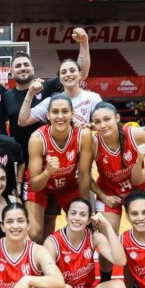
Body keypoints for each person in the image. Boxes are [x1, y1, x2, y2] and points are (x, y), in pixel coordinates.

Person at [84, 102, 145, 281]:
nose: (103, 125)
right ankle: (106, 280)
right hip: (109, 193)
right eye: (97, 122)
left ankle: (144, 280)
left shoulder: (136, 134)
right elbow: (85, 175)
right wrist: (103, 196)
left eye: (107, 119)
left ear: (117, 118)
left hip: (138, 192)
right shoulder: (93, 143)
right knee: (107, 237)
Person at [2, 28, 91, 149]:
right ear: (11, 72)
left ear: (33, 69)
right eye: (18, 66)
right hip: (18, 152)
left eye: (26, 64)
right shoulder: (6, 96)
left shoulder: (47, 86)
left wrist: (84, 43)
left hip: (47, 151)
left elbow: (80, 73)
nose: (23, 68)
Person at [25, 94, 93, 241]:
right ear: (48, 115)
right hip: (41, 187)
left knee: (84, 224)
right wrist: (47, 172)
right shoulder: (37, 139)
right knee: (34, 234)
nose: (60, 116)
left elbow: (83, 174)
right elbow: (35, 185)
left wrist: (84, 205)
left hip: (68, 185)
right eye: (55, 112)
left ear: (72, 114)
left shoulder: (83, 135)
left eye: (65, 111)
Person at [18, 57, 103, 127]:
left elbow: (104, 122)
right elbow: (23, 121)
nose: (68, 74)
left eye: (72, 70)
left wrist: (88, 126)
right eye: (63, 72)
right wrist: (30, 94)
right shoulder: (51, 101)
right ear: (59, 78)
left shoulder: (93, 98)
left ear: (80, 74)